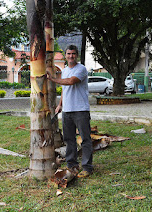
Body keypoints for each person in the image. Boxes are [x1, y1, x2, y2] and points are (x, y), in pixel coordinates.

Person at [47, 45, 93, 178]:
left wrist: (53, 79)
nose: (71, 56)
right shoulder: (65, 70)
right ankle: (72, 165)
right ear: (65, 55)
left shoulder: (81, 69)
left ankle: (87, 167)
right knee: (69, 139)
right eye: (68, 54)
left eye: (73, 54)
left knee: (85, 139)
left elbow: (71, 82)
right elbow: (65, 89)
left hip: (80, 110)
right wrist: (60, 104)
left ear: (76, 55)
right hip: (67, 111)